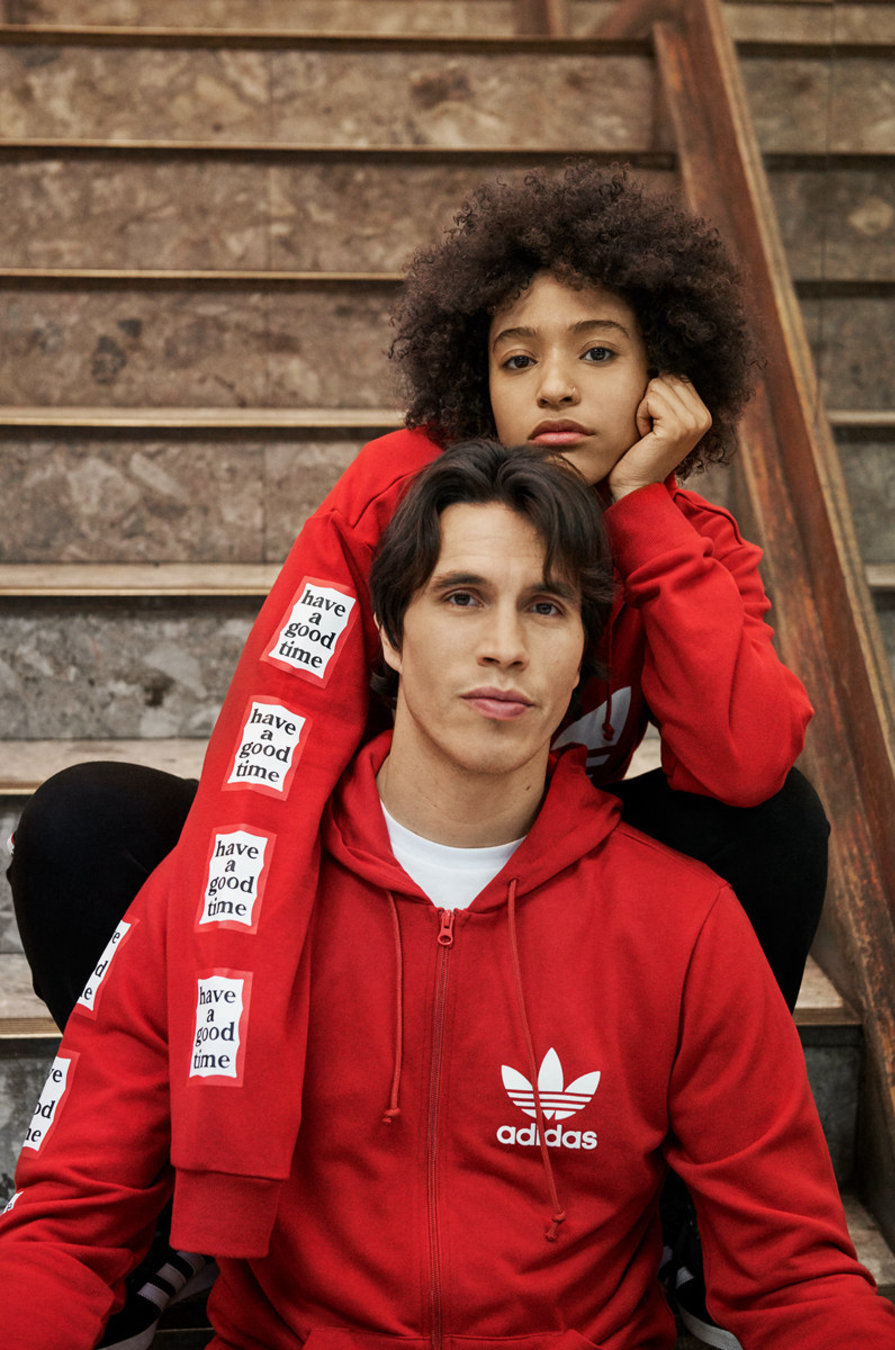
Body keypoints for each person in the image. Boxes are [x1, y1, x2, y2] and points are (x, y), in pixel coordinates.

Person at [7, 163, 829, 1346]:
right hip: (360, 843)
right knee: (91, 825)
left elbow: (743, 762)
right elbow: (276, 741)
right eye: (517, 358)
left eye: (600, 353)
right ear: (474, 381)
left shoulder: (691, 543)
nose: (556, 385)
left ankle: (689, 1214)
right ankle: (174, 1193)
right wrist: (237, 1109)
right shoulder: (403, 500)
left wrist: (643, 517)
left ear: (667, 378)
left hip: (558, 857)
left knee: (778, 825)